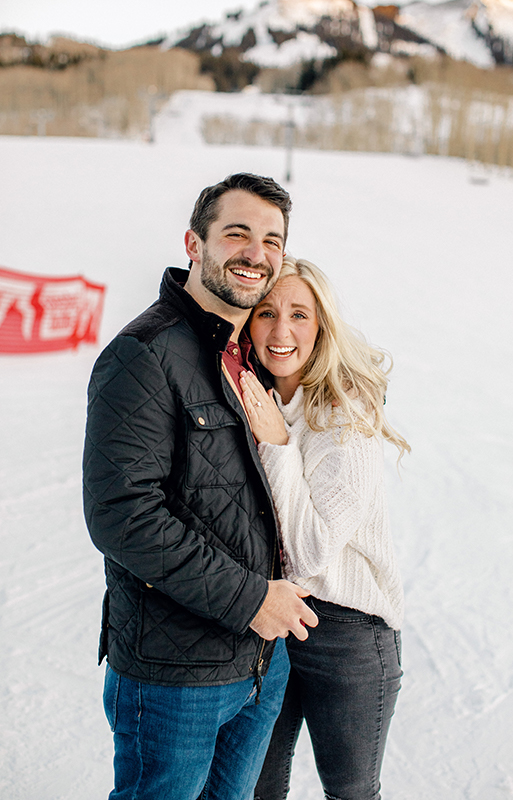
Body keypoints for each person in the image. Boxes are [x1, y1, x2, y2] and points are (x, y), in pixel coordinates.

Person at [82, 174, 318, 800]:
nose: (256, 253)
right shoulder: (145, 353)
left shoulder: (251, 358)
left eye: (272, 240)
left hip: (259, 666)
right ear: (194, 242)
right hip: (175, 675)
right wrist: (250, 600)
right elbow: (122, 514)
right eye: (236, 233)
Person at [238, 256, 410, 800]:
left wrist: (279, 445)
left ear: (322, 326)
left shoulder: (345, 415)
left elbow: (310, 552)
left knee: (351, 793)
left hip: (349, 633)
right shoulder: (259, 400)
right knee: (256, 786)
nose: (281, 331)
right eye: (266, 313)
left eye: (299, 315)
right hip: (272, 622)